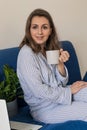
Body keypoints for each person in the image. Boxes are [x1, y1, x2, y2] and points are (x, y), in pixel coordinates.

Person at [17, 8, 87, 124]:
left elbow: (61, 83)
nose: (40, 32)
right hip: (45, 108)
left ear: (50, 30)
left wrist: (60, 64)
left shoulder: (48, 49)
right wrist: (69, 91)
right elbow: (39, 91)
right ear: (29, 30)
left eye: (44, 27)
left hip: (61, 94)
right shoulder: (26, 54)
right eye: (35, 27)